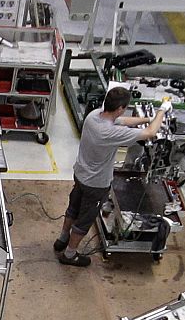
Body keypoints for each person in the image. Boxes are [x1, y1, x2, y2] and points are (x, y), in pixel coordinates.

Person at [55, 85, 168, 266]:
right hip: (96, 184)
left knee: (73, 208)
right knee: (84, 220)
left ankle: (62, 239)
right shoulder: (109, 133)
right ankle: (69, 255)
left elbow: (121, 121)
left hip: (81, 174)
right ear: (120, 108)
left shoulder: (94, 116)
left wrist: (148, 118)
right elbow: (150, 133)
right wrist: (162, 110)